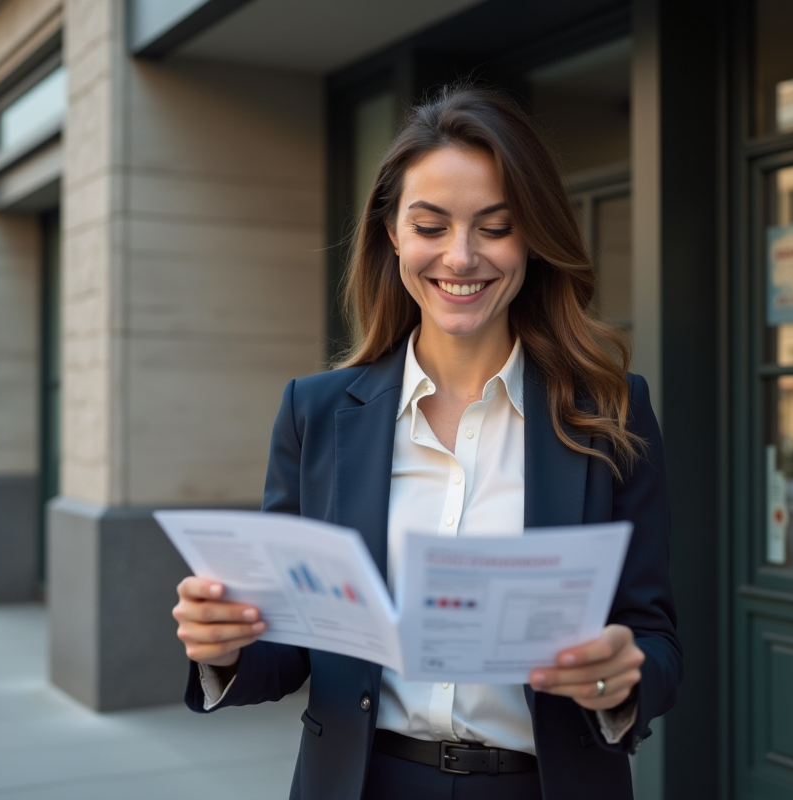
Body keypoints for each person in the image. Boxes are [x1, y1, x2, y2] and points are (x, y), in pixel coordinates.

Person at [173, 85, 680, 800]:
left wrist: (622, 676)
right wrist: (223, 648)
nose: (462, 257)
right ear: (392, 233)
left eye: (496, 227)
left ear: (533, 236)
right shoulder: (314, 412)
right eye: (432, 226)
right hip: (362, 782)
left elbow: (654, 641)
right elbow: (287, 649)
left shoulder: (614, 410)